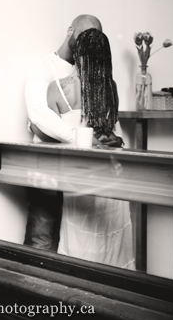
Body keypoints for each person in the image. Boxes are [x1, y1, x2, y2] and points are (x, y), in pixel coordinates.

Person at [46, 28, 134, 269]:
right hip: (112, 176)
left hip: (80, 176)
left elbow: (51, 136)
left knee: (79, 241)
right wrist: (114, 141)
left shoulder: (57, 88)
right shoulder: (110, 87)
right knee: (113, 240)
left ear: (78, 54)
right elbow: (114, 134)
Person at [22, 14, 104, 251]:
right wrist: (81, 138)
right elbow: (39, 116)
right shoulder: (44, 67)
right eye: (84, 35)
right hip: (47, 169)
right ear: (70, 30)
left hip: (81, 173)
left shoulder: (93, 75)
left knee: (78, 247)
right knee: (42, 239)